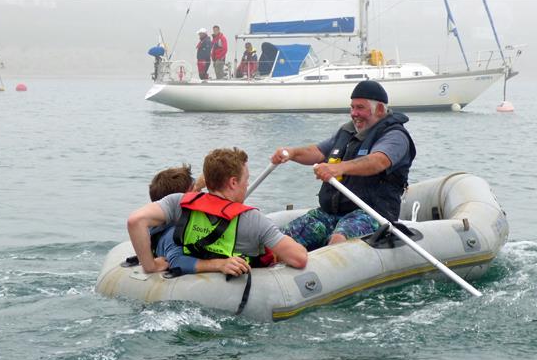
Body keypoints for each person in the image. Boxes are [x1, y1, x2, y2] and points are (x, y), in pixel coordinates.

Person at [270, 80, 416, 251]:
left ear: (380, 110)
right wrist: (292, 153)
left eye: (360, 107)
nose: (354, 113)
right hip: (331, 213)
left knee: (339, 240)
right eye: (352, 107)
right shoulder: (347, 131)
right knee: (284, 239)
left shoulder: (395, 136)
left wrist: (339, 168)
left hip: (372, 214)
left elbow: (379, 161)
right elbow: (317, 152)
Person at [128, 147, 308, 276]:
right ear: (233, 182)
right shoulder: (254, 220)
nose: (247, 184)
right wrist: (220, 264)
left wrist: (149, 266)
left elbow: (135, 221)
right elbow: (299, 259)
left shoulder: (179, 202)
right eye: (246, 179)